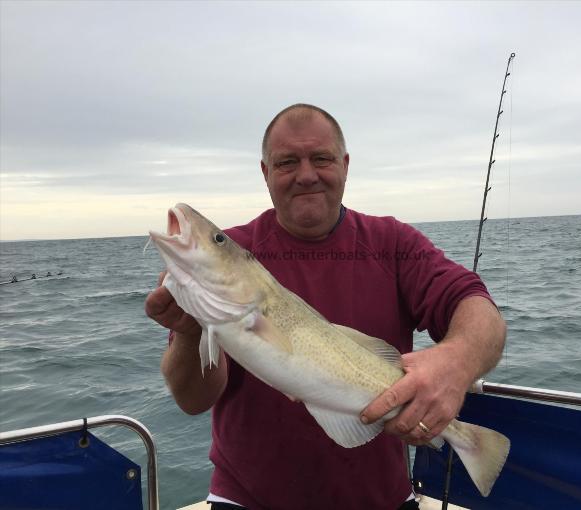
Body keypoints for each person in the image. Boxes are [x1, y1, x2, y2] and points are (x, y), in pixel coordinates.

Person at [145, 104, 506, 510]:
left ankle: (469, 441)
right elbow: (193, 400)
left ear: (345, 165)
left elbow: (477, 307)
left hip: (381, 499)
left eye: (321, 158)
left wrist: (456, 363)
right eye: (286, 162)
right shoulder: (239, 259)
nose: (306, 175)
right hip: (246, 500)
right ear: (265, 173)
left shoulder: (393, 244)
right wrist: (192, 329)